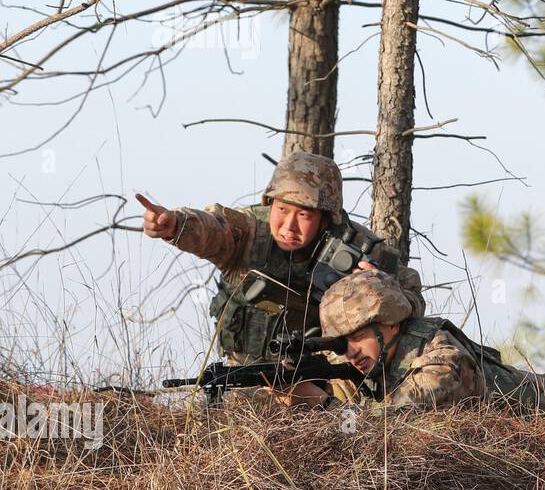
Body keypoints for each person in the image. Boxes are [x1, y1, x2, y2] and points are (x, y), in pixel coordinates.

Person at [136, 152, 425, 375]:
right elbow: (213, 229)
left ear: (326, 218)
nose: (288, 226)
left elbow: (413, 300)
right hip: (247, 374)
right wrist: (175, 225)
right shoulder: (250, 231)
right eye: (282, 209)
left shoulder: (358, 250)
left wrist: (383, 291)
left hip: (326, 382)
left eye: (303, 216)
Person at [308, 269, 545, 425]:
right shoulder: (376, 363)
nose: (349, 351)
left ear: (390, 322)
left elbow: (385, 430)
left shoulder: (441, 366)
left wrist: (323, 405)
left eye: (356, 337)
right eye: (342, 342)